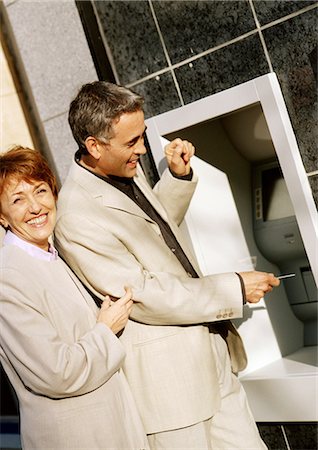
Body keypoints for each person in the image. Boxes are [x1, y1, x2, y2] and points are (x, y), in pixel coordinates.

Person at [54, 81, 280, 450]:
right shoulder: (75, 216)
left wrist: (176, 179)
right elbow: (141, 294)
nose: (142, 150)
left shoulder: (124, 169)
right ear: (94, 146)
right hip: (173, 390)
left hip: (212, 354)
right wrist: (234, 288)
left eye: (142, 136)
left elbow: (152, 239)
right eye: (132, 143)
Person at [0, 146, 149, 450]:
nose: (35, 207)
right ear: (2, 217)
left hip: (112, 426)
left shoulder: (54, 255)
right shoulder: (8, 277)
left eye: (40, 191)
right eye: (18, 199)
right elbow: (57, 373)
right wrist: (106, 329)